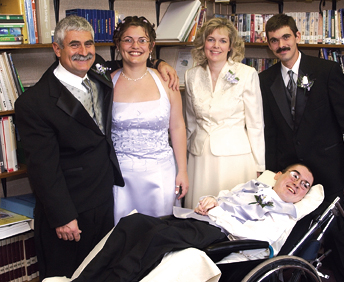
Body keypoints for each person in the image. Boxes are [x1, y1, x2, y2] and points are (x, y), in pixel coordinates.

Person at [14, 15, 178, 280]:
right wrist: (63, 217)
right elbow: (43, 169)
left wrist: (159, 62)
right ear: (57, 49)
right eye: (74, 45)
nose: (83, 52)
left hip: (106, 200)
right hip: (71, 210)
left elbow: (130, 56)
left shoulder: (98, 69)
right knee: (68, 275)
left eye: (89, 44)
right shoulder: (34, 103)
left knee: (105, 271)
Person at [259, 13, 344, 282]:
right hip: (291, 173)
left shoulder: (326, 71)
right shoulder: (265, 80)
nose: (281, 44)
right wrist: (271, 171)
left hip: (327, 166)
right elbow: (271, 131)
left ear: (297, 36)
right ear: (269, 45)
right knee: (297, 231)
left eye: (286, 37)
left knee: (334, 231)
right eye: (274, 40)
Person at [71, 163, 323, 282]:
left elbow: (258, 237)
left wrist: (217, 213)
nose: (296, 184)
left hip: (220, 235)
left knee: (157, 239)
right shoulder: (253, 186)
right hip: (198, 219)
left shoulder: (284, 213)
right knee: (132, 223)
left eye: (304, 185)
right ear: (278, 175)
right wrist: (209, 200)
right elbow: (223, 197)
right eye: (294, 175)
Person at [111, 16, 188, 222]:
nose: (135, 46)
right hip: (121, 176)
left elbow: (178, 126)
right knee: (122, 236)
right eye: (128, 40)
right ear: (118, 44)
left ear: (151, 45)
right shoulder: (107, 83)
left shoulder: (166, 81)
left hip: (160, 172)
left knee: (160, 234)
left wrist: (182, 171)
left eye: (142, 40)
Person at [185, 17, 265, 209]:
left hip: (235, 159)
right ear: (203, 43)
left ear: (230, 46)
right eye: (211, 39)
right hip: (200, 159)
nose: (216, 46)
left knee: (231, 214)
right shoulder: (191, 76)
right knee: (200, 214)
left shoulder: (247, 74)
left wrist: (259, 166)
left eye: (223, 41)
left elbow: (255, 124)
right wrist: (188, 156)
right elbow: (190, 122)